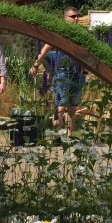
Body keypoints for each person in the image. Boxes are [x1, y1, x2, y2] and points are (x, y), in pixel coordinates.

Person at [29, 7, 86, 137]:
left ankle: (69, 136)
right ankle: (57, 136)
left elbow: (85, 55)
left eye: (77, 16)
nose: (76, 18)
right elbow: (46, 48)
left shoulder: (81, 35)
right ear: (66, 18)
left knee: (72, 108)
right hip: (62, 73)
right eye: (73, 16)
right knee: (60, 107)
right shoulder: (60, 32)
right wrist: (36, 65)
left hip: (76, 75)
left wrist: (85, 73)